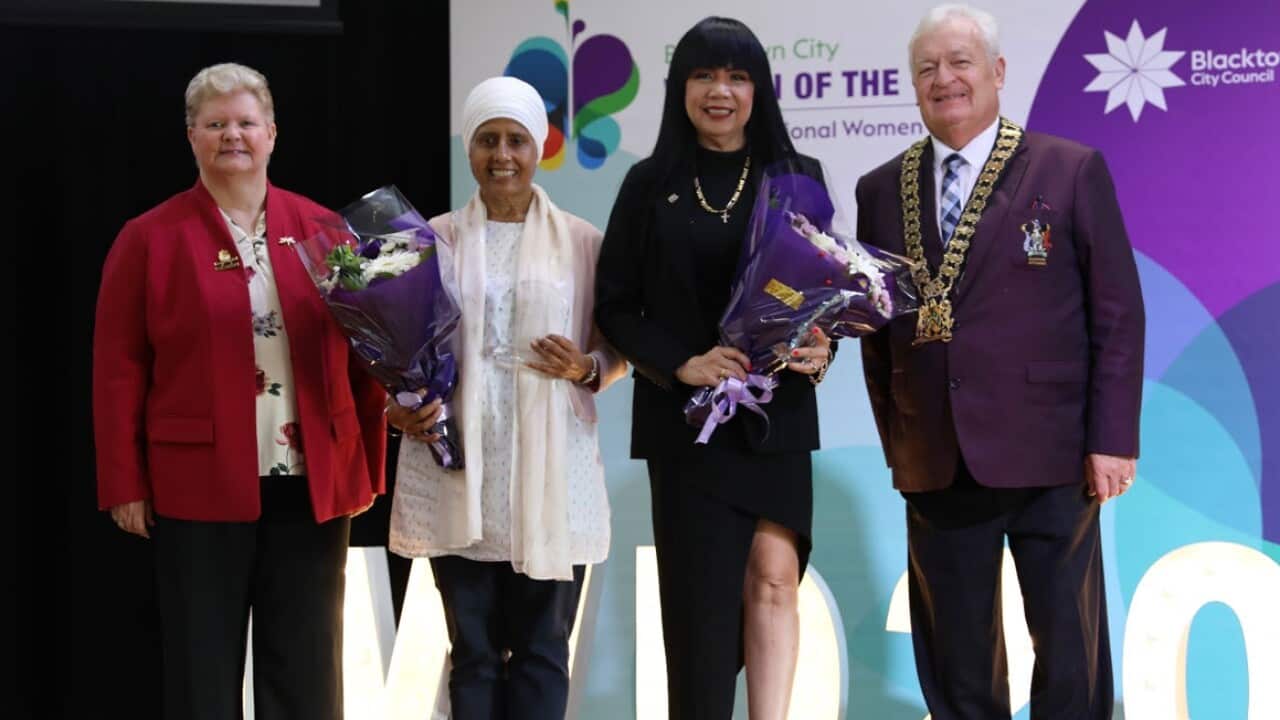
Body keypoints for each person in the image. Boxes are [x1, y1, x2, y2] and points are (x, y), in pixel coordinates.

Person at [855, 4, 1145, 718]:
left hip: (1052, 454)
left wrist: (1111, 440)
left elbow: (1117, 313)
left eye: (959, 62)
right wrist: (901, 441)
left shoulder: (1070, 169)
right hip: (937, 457)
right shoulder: (879, 189)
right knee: (956, 665)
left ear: (997, 72)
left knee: (1069, 656)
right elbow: (877, 328)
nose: (944, 79)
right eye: (927, 69)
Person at [93, 62, 387, 720]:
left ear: (273, 134)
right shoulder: (148, 239)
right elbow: (118, 367)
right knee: (202, 669)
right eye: (216, 123)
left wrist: (364, 464)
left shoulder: (328, 233)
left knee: (307, 669)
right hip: (197, 484)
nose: (233, 136)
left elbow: (368, 353)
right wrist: (123, 481)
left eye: (246, 123)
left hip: (309, 483)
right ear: (192, 136)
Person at [595, 17, 831, 720]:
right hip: (686, 426)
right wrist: (683, 364)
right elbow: (616, 304)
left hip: (774, 416)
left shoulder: (797, 178)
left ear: (757, 89)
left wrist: (820, 346)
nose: (719, 91)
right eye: (703, 76)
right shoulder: (648, 183)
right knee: (698, 611)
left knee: (774, 581)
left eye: (736, 76)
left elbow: (820, 291)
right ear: (681, 89)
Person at [386, 76, 626, 720]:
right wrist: (398, 405)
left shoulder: (582, 240)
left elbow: (619, 348)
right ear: (469, 148)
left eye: (516, 140)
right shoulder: (429, 240)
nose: (502, 155)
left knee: (545, 651)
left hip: (552, 477)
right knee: (473, 656)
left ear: (539, 148)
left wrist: (586, 368)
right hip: (459, 468)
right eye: (488, 140)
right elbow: (396, 348)